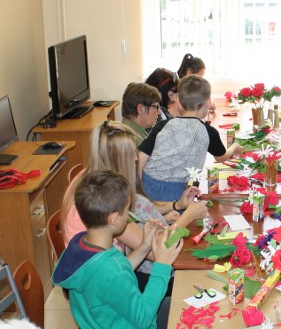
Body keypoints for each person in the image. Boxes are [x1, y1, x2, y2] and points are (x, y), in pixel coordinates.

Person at [53, 170, 183, 329]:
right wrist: (162, 266)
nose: (129, 214)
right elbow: (142, 317)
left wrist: (144, 246)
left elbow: (113, 276)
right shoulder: (110, 271)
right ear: (115, 219)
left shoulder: (86, 244)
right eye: (126, 210)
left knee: (178, 306)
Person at [61, 121, 206, 289]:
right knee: (187, 280)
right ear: (117, 161)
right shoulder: (107, 201)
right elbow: (158, 251)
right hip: (107, 285)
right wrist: (188, 216)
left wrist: (176, 205)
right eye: (131, 154)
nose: (136, 158)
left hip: (109, 271)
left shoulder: (89, 181)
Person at [139, 75, 242, 201]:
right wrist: (235, 147)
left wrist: (138, 190)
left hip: (149, 184)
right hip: (178, 190)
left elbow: (142, 157)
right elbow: (221, 157)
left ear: (179, 103)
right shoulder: (209, 131)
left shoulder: (162, 125)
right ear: (208, 103)